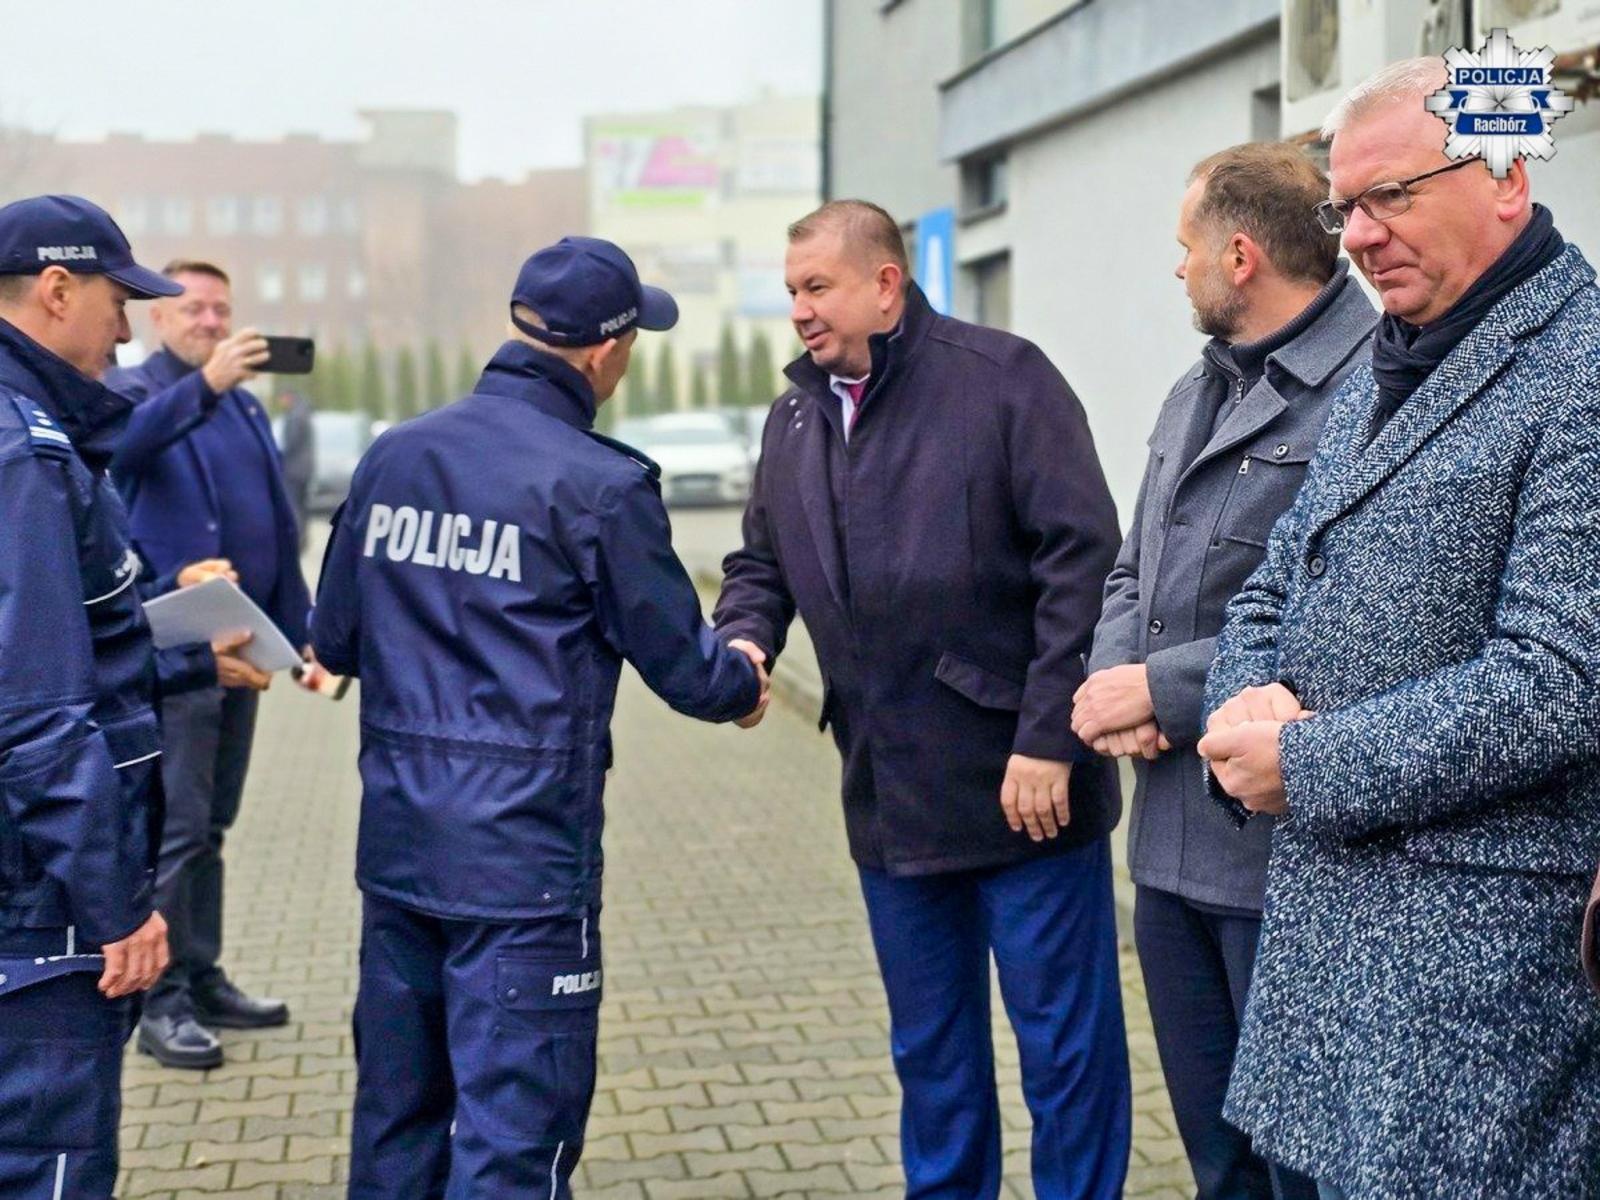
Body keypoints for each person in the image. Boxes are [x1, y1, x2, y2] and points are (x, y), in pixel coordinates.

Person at [1198, 59, 1600, 1197]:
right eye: (1343, 207)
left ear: (1507, 175)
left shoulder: (1580, 367)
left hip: (1478, 994)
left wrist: (1304, 761)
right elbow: (1275, 579)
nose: (1359, 237)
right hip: (1335, 962)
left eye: (1392, 196)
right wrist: (1243, 698)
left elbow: (1559, 679)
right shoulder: (1394, 360)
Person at [312, 236, 767, 1197]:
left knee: (397, 1129)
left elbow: (336, 642)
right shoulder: (601, 486)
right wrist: (744, 676)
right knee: (514, 1144)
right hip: (523, 872)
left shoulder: (395, 456)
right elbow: (687, 673)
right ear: (607, 351)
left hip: (398, 854)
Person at [715, 200, 1130, 1199]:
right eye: (791, 293)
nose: (800, 313)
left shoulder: (1002, 383)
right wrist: (742, 637)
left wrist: (1047, 740)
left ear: (885, 284)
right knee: (933, 1062)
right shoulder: (798, 413)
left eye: (817, 288)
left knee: (1064, 1060)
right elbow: (760, 560)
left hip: (1024, 793)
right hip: (889, 799)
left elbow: (1082, 564)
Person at [1074, 143, 1374, 1200]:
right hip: (1166, 849)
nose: (1175, 269)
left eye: (1184, 247)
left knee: (1301, 1165)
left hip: (1278, 860)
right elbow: (1131, 563)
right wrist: (1116, 684)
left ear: (1238, 255)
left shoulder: (1372, 390)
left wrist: (1160, 690)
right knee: (1215, 1160)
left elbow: (1347, 616)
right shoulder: (1188, 391)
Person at [0, 194, 177, 1195]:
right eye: (118, 299)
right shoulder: (23, 454)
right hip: (38, 896)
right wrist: (116, 906)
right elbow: (33, 709)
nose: (126, 326)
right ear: (57, 289)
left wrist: (189, 656)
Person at [106, 260, 314, 1068]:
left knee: (213, 827)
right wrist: (206, 386)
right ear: (159, 318)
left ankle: (202, 974)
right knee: (178, 829)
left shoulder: (246, 410)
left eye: (223, 310)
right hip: (182, 647)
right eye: (195, 309)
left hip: (245, 650)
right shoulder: (135, 395)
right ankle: (159, 1004)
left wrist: (303, 639)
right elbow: (126, 450)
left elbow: (277, 522)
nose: (212, 323)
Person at [275, 388, 315, 549]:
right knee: (303, 507)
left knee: (294, 506)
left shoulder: (295, 416)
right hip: (305, 469)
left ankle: (296, 541)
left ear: (288, 397)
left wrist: (279, 457)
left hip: (294, 469)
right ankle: (303, 539)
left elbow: (291, 443)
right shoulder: (304, 413)